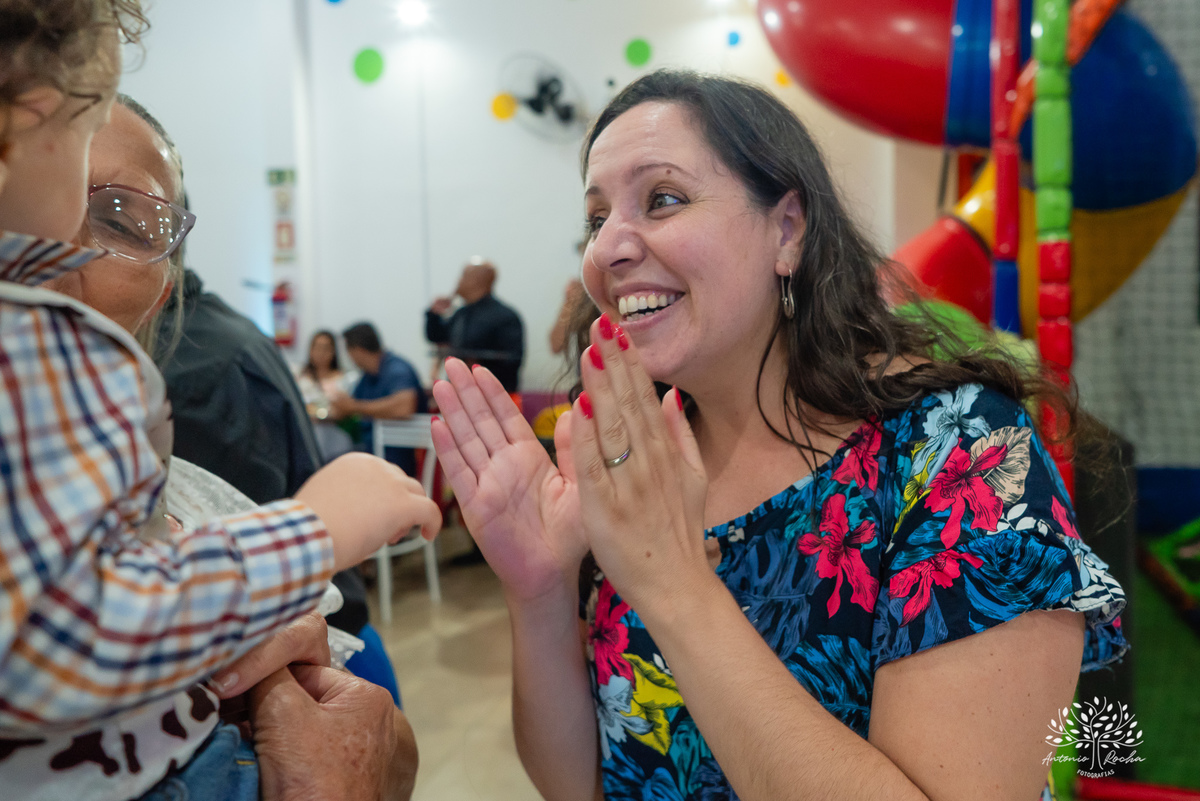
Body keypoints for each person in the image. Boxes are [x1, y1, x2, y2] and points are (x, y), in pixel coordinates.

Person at [430, 70, 1127, 801]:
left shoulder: (962, 454)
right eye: (596, 219)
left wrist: (673, 583)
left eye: (662, 199)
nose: (607, 250)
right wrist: (538, 591)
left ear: (787, 229)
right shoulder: (636, 457)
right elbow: (583, 785)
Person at [0, 11, 441, 798]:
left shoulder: (196, 454)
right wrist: (311, 531)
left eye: (126, 217)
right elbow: (61, 638)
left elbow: (363, 725)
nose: (69, 236)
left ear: (165, 281)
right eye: (72, 145)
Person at [334, 321, 427, 477]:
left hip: (395, 456)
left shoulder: (397, 370)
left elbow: (404, 406)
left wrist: (354, 407)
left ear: (357, 350)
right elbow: (348, 408)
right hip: (371, 449)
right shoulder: (367, 376)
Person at [425, 257, 525, 394]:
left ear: (478, 280)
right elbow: (437, 337)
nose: (459, 281)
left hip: (496, 397)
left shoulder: (505, 316)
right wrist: (434, 315)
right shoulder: (461, 314)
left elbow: (512, 360)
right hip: (459, 393)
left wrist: (474, 364)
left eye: (464, 276)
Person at [296, 329, 358, 461]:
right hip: (308, 436)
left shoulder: (346, 379)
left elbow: (347, 410)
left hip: (337, 436)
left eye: (326, 349)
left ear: (333, 352)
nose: (321, 354)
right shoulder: (300, 378)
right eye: (317, 348)